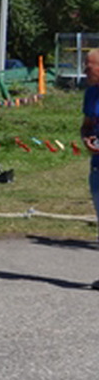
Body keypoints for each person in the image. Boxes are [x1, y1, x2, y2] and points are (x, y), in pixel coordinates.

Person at [81, 49, 99, 284]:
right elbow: (86, 125)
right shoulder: (91, 94)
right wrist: (87, 139)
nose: (85, 70)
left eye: (89, 66)